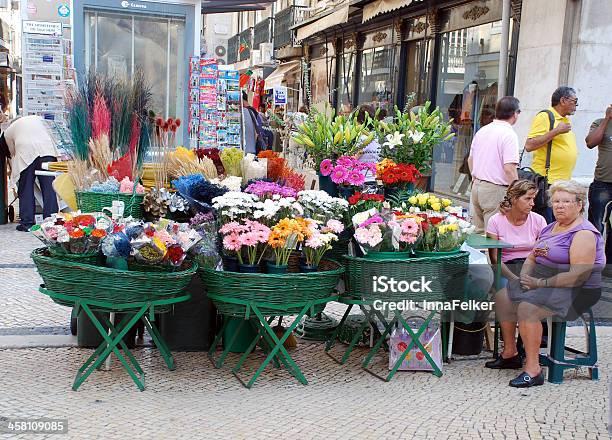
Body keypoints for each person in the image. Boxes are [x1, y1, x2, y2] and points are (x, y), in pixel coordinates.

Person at [489, 180, 605, 387]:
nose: (559, 205)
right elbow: (532, 257)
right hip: (544, 281)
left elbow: (577, 276)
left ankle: (533, 370)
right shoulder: (552, 227)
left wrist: (539, 283)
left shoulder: (583, 233)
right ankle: (510, 353)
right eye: (556, 201)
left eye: (566, 201)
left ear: (579, 205)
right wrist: (524, 277)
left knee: (528, 308)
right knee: (503, 296)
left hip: (575, 288)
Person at [467, 96, 521, 234]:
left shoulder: (483, 130)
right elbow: (509, 168)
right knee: (493, 236)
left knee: (478, 234)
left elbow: (470, 160)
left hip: (477, 185)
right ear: (515, 114)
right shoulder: (509, 134)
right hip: (495, 189)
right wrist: (517, 193)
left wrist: (475, 180)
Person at [524, 86, 579, 223]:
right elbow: (529, 145)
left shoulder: (565, 120)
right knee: (546, 225)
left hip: (562, 183)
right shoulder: (546, 116)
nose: (576, 106)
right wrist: (556, 131)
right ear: (563, 100)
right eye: (574, 101)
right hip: (547, 182)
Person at [0, 115, 59, 231]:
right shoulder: (38, 119)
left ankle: (27, 223)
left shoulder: (8, 131)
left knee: (25, 188)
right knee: (49, 188)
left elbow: (11, 152)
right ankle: (51, 221)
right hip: (47, 150)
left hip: (26, 151)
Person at [486, 180, 547, 284]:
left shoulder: (539, 220)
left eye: (533, 199)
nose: (532, 203)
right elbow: (494, 258)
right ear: (514, 199)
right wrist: (515, 279)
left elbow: (544, 250)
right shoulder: (495, 221)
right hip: (506, 269)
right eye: (528, 199)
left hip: (532, 267)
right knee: (509, 291)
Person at [586, 105, 612, 247]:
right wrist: (607, 119)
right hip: (603, 183)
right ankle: (592, 262)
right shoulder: (599, 122)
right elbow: (590, 143)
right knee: (596, 226)